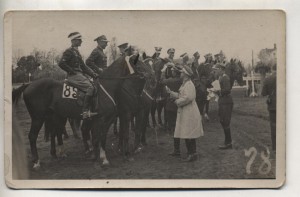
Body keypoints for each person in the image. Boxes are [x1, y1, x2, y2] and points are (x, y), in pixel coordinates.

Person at [167, 65, 204, 162]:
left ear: (186, 75)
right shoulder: (185, 84)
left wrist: (177, 101)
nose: (181, 74)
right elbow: (181, 95)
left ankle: (192, 153)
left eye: (182, 72)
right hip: (186, 111)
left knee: (189, 133)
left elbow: (188, 98)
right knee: (188, 132)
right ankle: (191, 153)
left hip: (189, 112)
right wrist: (171, 93)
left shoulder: (189, 85)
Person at [59, 32, 99, 119]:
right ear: (73, 41)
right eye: (79, 40)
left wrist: (93, 74)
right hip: (74, 76)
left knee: (94, 85)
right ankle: (85, 111)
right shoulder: (69, 51)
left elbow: (84, 67)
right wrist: (71, 71)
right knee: (90, 88)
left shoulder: (76, 52)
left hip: (79, 75)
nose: (81, 41)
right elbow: (61, 63)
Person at [215, 63, 233, 149]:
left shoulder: (225, 78)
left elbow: (227, 90)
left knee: (225, 121)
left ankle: (228, 143)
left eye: (217, 69)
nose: (216, 71)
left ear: (221, 69)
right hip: (223, 102)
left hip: (226, 102)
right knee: (223, 121)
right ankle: (227, 142)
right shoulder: (221, 78)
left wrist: (218, 91)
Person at [161, 64, 182, 135]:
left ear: (175, 73)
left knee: (170, 117)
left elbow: (162, 81)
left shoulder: (170, 80)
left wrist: (163, 71)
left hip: (171, 103)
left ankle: (171, 130)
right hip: (180, 102)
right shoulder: (182, 80)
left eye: (173, 71)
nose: (171, 72)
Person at [261, 64, 276, 151]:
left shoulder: (268, 79)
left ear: (271, 69)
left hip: (273, 106)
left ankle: (275, 147)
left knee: (274, 126)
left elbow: (263, 93)